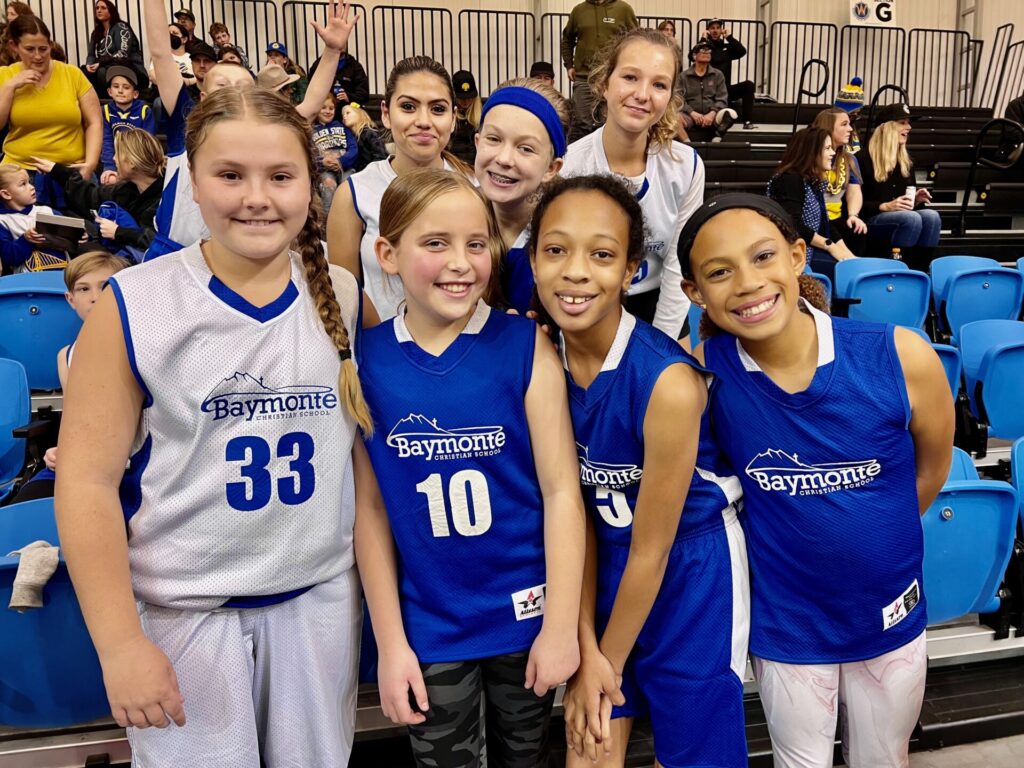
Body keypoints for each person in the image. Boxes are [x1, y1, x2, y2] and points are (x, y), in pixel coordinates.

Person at [55, 86, 374, 767]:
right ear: (192, 184)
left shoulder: (342, 294)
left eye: (280, 176)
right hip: (188, 615)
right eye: (230, 175)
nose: (257, 198)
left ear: (310, 184)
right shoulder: (136, 303)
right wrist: (119, 644)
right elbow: (85, 484)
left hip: (316, 603)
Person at [680, 191, 953, 768]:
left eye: (762, 256)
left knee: (883, 759)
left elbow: (932, 469)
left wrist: (870, 540)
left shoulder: (901, 355)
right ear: (694, 292)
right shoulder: (700, 373)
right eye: (719, 272)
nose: (748, 283)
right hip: (788, 625)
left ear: (798, 255)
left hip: (889, 611)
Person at [355, 167, 585, 768]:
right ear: (387, 254)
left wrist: (561, 626)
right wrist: (390, 643)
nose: (460, 263)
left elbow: (562, 492)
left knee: (525, 759)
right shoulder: (367, 361)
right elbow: (371, 512)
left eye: (476, 244)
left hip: (526, 619)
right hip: (431, 627)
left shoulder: (525, 345)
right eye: (436, 243)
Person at [530, 174, 749, 768]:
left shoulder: (667, 383)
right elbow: (571, 514)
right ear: (533, 259)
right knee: (589, 748)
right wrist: (585, 647)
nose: (576, 272)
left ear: (631, 271)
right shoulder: (538, 359)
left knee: (693, 757)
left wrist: (605, 662)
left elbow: (652, 550)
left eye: (601, 255)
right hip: (599, 567)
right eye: (556, 250)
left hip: (689, 574)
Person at [141, 0, 358, 258]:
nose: (233, 90)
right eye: (223, 85)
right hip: (175, 255)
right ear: (204, 98)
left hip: (236, 257)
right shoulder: (186, 126)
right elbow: (161, 54)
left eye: (242, 86)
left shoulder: (266, 132)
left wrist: (332, 51)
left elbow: (310, 105)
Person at [562, 27, 702, 339]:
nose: (642, 94)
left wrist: (660, 346)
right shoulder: (570, 166)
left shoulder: (686, 166)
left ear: (670, 98)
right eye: (630, 77)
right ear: (604, 83)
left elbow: (678, 263)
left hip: (660, 305)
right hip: (587, 304)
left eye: (659, 84)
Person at [326, 56, 470, 322]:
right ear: (385, 113)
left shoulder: (474, 189)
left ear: (453, 118)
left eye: (438, 109)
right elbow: (345, 297)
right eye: (408, 107)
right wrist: (384, 341)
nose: (423, 121)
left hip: (462, 341)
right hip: (381, 342)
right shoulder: (354, 193)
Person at [5, 249, 131, 504]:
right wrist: (60, 451)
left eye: (106, 287)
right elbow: (77, 423)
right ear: (70, 299)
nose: (95, 297)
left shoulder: (147, 348)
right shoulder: (66, 356)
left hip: (135, 463)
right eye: (83, 289)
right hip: (84, 463)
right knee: (27, 504)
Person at [472, 78, 567, 314]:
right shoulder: (453, 218)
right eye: (494, 139)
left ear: (551, 168)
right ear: (477, 142)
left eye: (525, 148)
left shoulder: (568, 235)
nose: (504, 159)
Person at [0, 15, 102, 205]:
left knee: (90, 222)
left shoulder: (72, 74)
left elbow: (94, 122)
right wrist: (9, 86)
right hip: (21, 175)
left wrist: (90, 164)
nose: (38, 56)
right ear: (14, 46)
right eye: (30, 49)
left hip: (71, 170)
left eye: (43, 49)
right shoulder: (5, 76)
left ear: (50, 45)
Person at [34, 127, 165, 260]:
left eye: (117, 154)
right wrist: (57, 171)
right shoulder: (127, 189)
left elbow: (159, 242)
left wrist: (117, 232)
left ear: (131, 162)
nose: (114, 159)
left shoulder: (166, 198)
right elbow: (90, 198)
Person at [767, 127, 856, 283]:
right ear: (811, 152)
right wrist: (830, 246)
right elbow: (792, 224)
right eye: (827, 148)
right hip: (792, 254)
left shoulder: (812, 181)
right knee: (846, 272)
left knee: (853, 266)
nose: (833, 153)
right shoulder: (790, 179)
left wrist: (849, 256)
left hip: (810, 249)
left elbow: (825, 225)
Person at [858, 102, 940, 270]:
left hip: (903, 220)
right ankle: (898, 270)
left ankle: (920, 271)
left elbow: (907, 207)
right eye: (902, 123)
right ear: (886, 128)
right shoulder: (862, 159)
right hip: (870, 220)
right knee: (911, 219)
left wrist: (915, 201)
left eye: (908, 123)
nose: (909, 127)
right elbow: (852, 207)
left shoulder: (905, 161)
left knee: (932, 217)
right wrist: (884, 206)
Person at [560, 0, 638, 142]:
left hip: (611, 78)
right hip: (584, 77)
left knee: (609, 122)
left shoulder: (624, 9)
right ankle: (579, 155)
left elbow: (635, 41)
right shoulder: (578, 11)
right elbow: (567, 39)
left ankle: (609, 154)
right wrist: (569, 65)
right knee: (580, 123)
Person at [813, 107, 867, 256]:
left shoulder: (849, 159)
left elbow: (854, 191)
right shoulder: (811, 157)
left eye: (849, 124)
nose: (850, 129)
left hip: (836, 218)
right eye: (844, 124)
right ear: (828, 128)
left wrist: (853, 215)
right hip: (815, 219)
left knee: (857, 231)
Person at [0, 163, 66, 272]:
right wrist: (26, 240)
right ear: (6, 194)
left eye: (29, 182)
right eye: (23, 184)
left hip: (65, 275)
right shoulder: (3, 221)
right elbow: (8, 258)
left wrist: (82, 235)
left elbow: (71, 233)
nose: (32, 187)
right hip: (29, 278)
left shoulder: (47, 211)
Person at [98, 65, 156, 183]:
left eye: (126, 87)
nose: (120, 91)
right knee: (109, 180)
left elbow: (148, 142)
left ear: (135, 94)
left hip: (138, 162)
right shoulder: (106, 111)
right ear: (109, 91)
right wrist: (109, 167)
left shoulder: (144, 111)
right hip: (115, 162)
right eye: (116, 86)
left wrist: (136, 166)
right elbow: (107, 141)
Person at [678, 40, 737, 143]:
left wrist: (712, 113)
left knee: (731, 113)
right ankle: (688, 144)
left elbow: (722, 99)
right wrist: (692, 113)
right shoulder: (683, 76)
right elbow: (678, 99)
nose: (706, 52)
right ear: (694, 56)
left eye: (709, 50)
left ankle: (717, 138)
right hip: (690, 116)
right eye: (702, 50)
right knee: (674, 118)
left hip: (712, 116)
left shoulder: (718, 75)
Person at [702, 18, 755, 130]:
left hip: (726, 91)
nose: (715, 30)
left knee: (749, 85)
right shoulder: (705, 48)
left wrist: (729, 38)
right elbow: (692, 56)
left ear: (721, 30)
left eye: (718, 28)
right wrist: (703, 39)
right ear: (708, 31)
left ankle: (748, 121)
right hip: (709, 92)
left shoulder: (727, 47)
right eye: (712, 28)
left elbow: (742, 51)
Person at [82, 0, 144, 92]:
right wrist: (89, 64)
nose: (99, 10)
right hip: (104, 66)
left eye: (103, 8)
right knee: (84, 72)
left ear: (111, 11)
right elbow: (91, 55)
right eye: (97, 8)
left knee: (102, 72)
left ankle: (107, 98)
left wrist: (100, 63)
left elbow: (123, 53)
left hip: (129, 67)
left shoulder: (121, 27)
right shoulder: (96, 32)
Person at [313, 95, 357, 212]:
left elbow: (353, 148)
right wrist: (321, 162)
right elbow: (310, 154)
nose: (328, 111)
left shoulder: (343, 127)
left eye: (331, 108)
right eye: (323, 108)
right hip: (325, 170)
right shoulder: (311, 130)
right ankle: (327, 220)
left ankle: (349, 217)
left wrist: (341, 161)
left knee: (348, 185)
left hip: (345, 167)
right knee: (328, 184)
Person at [341, 101, 387, 173]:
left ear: (359, 114)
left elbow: (381, 155)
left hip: (373, 171)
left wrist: (368, 171)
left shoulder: (369, 133)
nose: (344, 116)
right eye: (343, 115)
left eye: (348, 113)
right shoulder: (351, 137)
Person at [450, 69, 481, 165]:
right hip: (453, 165)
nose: (466, 102)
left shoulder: (480, 115)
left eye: (470, 97)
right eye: (461, 98)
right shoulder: (449, 115)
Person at [265, 41, 308, 105]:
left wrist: (288, 97)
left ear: (285, 59)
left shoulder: (297, 72)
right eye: (270, 55)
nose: (272, 57)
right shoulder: (264, 75)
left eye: (276, 55)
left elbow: (303, 97)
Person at [834, 77, 865, 154]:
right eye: (852, 114)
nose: (856, 116)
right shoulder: (829, 125)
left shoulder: (856, 127)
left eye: (858, 113)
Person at [0, 1, 31, 66]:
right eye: (8, 14)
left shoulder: (31, 31)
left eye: (12, 14)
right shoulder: (6, 33)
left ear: (22, 15)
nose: (8, 17)